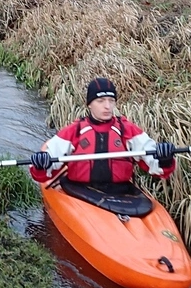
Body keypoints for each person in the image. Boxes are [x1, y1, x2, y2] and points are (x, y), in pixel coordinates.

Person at [28, 76, 176, 211]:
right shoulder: (74, 130)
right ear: (90, 105)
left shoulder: (127, 130)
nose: (107, 106)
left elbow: (157, 167)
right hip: (79, 191)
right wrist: (41, 163)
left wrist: (164, 158)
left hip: (120, 192)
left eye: (111, 101)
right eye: (101, 101)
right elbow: (43, 172)